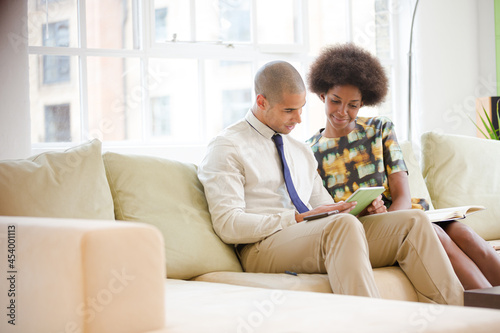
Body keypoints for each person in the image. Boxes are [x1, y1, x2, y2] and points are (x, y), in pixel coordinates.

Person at [198, 60, 463, 304]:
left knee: (413, 223)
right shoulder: (228, 146)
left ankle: (457, 322)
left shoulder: (300, 151)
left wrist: (353, 208)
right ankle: (375, 325)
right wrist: (297, 219)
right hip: (261, 247)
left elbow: (325, 208)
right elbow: (228, 225)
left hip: (311, 236)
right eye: (289, 110)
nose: (299, 119)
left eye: (301, 109)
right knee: (341, 226)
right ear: (261, 101)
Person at [307, 43, 500, 290]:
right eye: (335, 101)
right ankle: (490, 311)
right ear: (322, 95)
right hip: (366, 231)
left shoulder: (380, 129)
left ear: (363, 102)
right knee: (437, 237)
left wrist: (389, 216)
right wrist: (368, 214)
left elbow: (402, 195)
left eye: (353, 105)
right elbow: (325, 213)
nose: (343, 111)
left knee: (465, 234)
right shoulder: (309, 152)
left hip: (405, 213)